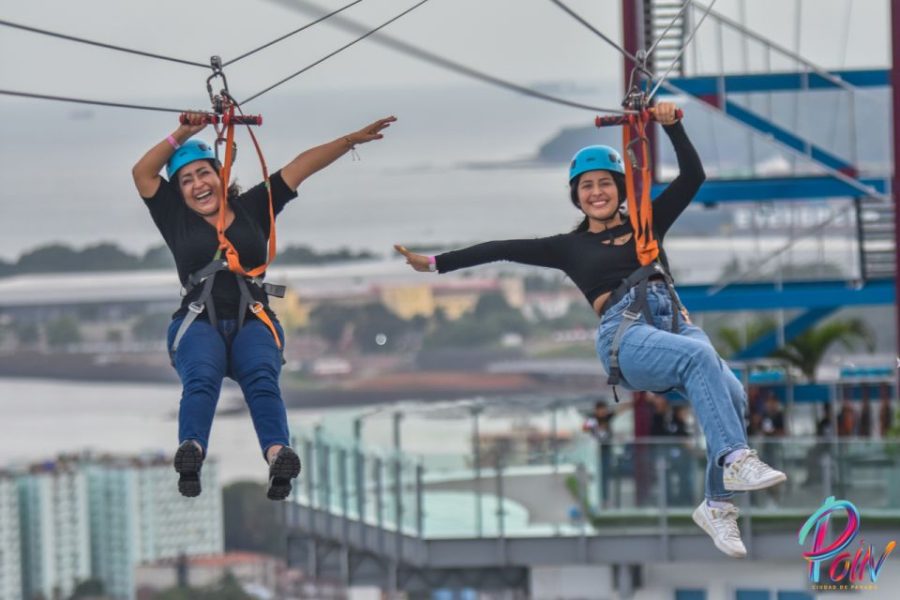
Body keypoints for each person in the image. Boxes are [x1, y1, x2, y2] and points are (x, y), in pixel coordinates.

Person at [394, 102, 785, 558]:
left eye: (604, 184)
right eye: (587, 187)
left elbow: (692, 177)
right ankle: (735, 460)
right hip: (627, 335)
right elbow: (500, 248)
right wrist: (437, 264)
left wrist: (673, 127)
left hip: (674, 324)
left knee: (733, 393)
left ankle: (717, 505)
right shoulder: (568, 247)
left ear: (620, 189)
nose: (596, 192)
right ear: (577, 197)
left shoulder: (647, 224)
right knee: (701, 360)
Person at [132, 112, 396, 500]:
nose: (197, 185)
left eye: (203, 174)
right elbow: (143, 173)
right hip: (198, 320)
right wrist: (183, 134)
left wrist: (349, 140)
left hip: (251, 318)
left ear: (221, 175)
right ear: (180, 192)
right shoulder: (175, 218)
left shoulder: (256, 206)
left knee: (261, 377)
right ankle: (192, 453)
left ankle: (277, 455)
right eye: (186, 180)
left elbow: (301, 167)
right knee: (201, 379)